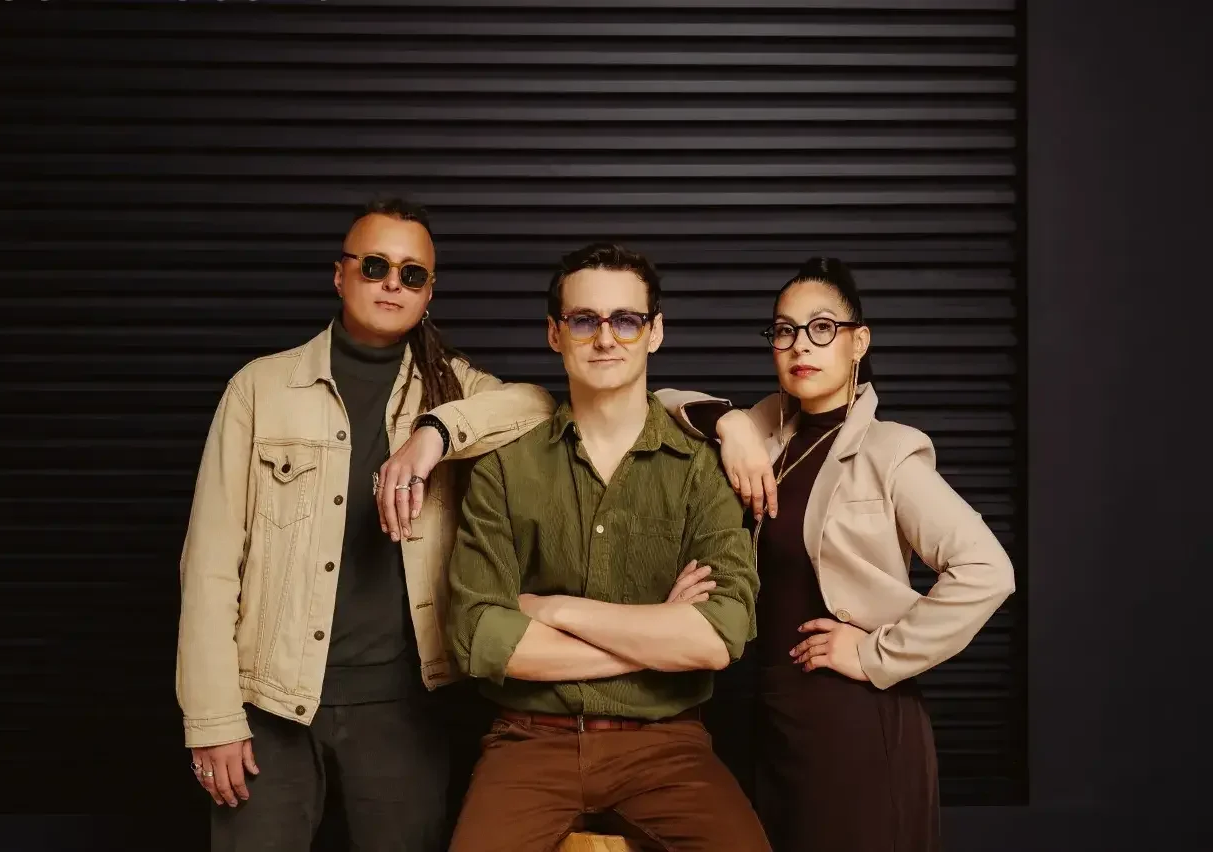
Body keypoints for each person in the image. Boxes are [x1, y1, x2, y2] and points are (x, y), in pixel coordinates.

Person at [176, 197, 553, 852]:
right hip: (269, 704)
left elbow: (539, 407)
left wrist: (436, 432)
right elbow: (208, 565)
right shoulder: (261, 388)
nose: (391, 284)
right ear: (340, 274)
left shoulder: (453, 388)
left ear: (429, 293)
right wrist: (212, 719)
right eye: (375, 266)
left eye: (412, 274)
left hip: (403, 707)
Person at [654, 256, 1016, 851]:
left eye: (822, 328)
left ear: (858, 342)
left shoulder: (889, 452)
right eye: (785, 330)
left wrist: (877, 653)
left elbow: (988, 571)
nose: (801, 344)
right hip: (755, 716)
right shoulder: (763, 438)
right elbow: (658, 402)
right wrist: (731, 425)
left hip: (851, 720)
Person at [444, 243, 773, 852]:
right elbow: (481, 637)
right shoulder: (505, 467)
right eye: (583, 320)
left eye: (626, 320)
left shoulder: (703, 468)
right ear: (555, 333)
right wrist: (658, 638)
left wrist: (553, 609)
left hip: (665, 743)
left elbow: (718, 636)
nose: (605, 339)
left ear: (655, 332)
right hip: (529, 741)